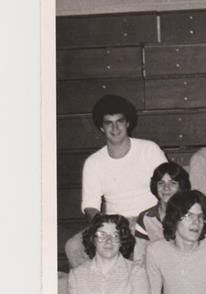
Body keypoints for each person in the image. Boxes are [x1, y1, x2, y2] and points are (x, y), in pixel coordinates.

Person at [65, 94, 168, 268]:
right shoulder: (93, 162)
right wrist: (107, 227)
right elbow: (90, 206)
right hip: (115, 223)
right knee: (73, 247)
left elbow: (168, 188)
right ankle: (98, 284)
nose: (115, 128)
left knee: (141, 252)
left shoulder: (149, 149)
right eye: (108, 123)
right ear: (101, 127)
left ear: (128, 123)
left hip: (150, 218)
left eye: (119, 121)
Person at [134, 162, 191, 245]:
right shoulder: (146, 218)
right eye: (161, 183)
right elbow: (140, 251)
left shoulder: (192, 215)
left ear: (181, 186)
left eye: (172, 183)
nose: (166, 188)